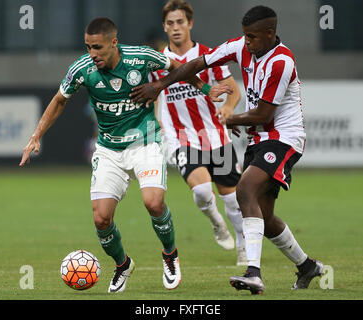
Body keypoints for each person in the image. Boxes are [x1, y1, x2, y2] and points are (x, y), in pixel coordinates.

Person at [19, 17, 230, 293]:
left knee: (153, 203)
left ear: (114, 43)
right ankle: (122, 264)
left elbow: (179, 67)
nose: (92, 54)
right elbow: (60, 99)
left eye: (98, 47)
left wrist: (203, 88)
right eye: (88, 47)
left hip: (146, 142)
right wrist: (36, 135)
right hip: (109, 149)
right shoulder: (82, 69)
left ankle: (170, 255)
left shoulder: (141, 57)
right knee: (101, 219)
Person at [130, 5, 324, 294]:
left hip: (284, 138)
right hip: (256, 139)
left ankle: (253, 274)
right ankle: (307, 266)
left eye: (252, 37)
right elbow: (196, 65)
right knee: (265, 218)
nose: (246, 42)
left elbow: (263, 116)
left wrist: (230, 118)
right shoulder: (241, 46)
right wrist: (160, 85)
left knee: (243, 191)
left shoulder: (281, 62)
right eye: (245, 36)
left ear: (269, 33)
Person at [152, 0, 246, 265]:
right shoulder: (158, 61)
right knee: (203, 191)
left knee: (234, 201)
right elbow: (152, 96)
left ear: (190, 24)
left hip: (215, 135)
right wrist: (155, 121)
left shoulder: (209, 55)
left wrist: (228, 108)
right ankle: (217, 224)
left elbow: (232, 88)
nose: (176, 28)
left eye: (180, 22)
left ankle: (243, 247)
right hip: (180, 138)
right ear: (164, 27)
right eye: (170, 23)